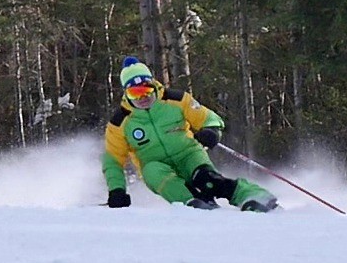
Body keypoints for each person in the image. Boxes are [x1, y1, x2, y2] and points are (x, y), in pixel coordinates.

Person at [102, 56, 278, 212]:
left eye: (146, 90)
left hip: (188, 154)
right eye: (135, 93)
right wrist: (117, 190)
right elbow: (113, 160)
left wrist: (211, 130)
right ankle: (192, 202)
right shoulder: (120, 122)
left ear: (154, 86)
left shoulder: (176, 100)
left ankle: (253, 196)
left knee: (208, 180)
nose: (143, 98)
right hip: (155, 165)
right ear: (126, 94)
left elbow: (207, 117)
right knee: (152, 171)